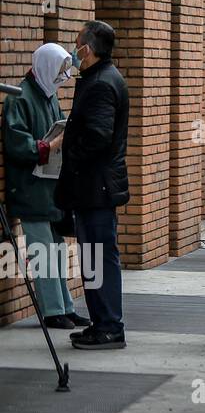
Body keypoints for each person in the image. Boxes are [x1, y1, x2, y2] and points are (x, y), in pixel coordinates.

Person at [2, 44, 89, 329]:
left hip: (48, 187)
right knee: (42, 251)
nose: (62, 76)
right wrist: (48, 146)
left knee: (57, 249)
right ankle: (53, 311)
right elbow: (17, 143)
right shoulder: (20, 98)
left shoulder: (46, 94)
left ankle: (64, 306)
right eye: (60, 70)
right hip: (30, 188)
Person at [55, 21, 129, 350]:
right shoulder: (100, 78)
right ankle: (102, 323)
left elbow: (98, 136)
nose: (74, 50)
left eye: (77, 44)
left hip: (94, 187)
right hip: (95, 186)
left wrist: (71, 154)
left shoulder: (100, 83)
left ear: (90, 48)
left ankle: (109, 326)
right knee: (96, 259)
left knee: (99, 258)